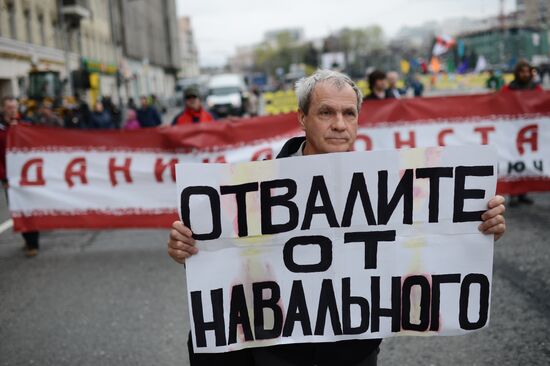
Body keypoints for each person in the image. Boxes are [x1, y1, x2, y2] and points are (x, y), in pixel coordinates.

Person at [167, 70, 508, 366]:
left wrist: (474, 231)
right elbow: (224, 258)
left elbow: (425, 243)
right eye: (326, 112)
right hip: (278, 350)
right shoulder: (255, 189)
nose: (339, 125)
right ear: (302, 117)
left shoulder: (387, 186)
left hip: (353, 352)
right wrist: (188, 250)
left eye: (349, 113)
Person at [0, 96, 41, 257]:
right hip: (10, 178)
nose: (12, 110)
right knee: (16, 209)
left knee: (29, 208)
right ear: (3, 109)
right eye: (9, 108)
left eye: (15, 107)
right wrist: (4, 178)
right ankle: (27, 236)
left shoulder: (25, 124)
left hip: (26, 175)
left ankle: (33, 243)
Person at [502, 60, 542, 206]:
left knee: (527, 162)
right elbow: (500, 104)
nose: (525, 74)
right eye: (522, 71)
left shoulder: (535, 88)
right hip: (513, 131)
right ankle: (513, 194)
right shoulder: (509, 89)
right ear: (517, 73)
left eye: (527, 71)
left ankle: (523, 193)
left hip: (531, 132)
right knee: (513, 161)